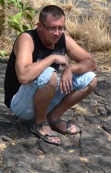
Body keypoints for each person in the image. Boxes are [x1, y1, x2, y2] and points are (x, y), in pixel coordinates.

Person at [4, 5, 98, 146]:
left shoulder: (63, 39)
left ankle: (53, 118)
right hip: (19, 102)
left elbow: (91, 63)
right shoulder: (27, 39)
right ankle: (40, 123)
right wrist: (52, 58)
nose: (57, 33)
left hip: (43, 97)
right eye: (52, 28)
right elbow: (23, 76)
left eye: (60, 28)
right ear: (40, 26)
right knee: (50, 74)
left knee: (90, 78)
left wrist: (70, 69)